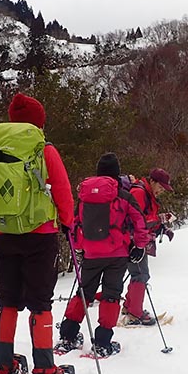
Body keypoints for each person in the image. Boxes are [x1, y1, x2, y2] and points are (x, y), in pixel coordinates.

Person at [0, 92, 75, 374]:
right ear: (39, 122)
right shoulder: (44, 149)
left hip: (3, 231)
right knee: (39, 302)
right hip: (40, 234)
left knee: (7, 299)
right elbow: (61, 188)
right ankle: (45, 369)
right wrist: (68, 223)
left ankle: (2, 365)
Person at [56, 153, 149, 357]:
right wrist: (140, 246)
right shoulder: (123, 195)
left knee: (84, 293)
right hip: (117, 254)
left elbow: (74, 222)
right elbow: (139, 222)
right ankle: (102, 342)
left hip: (91, 253)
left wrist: (79, 247)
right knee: (111, 295)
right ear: (117, 174)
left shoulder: (85, 195)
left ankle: (68, 335)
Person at [122, 168, 175, 326]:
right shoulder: (140, 193)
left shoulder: (146, 193)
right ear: (152, 181)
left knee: (137, 274)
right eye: (160, 187)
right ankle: (134, 314)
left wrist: (161, 227)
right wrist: (159, 219)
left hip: (136, 240)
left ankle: (129, 307)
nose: (161, 191)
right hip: (133, 241)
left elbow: (145, 219)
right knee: (141, 275)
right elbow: (137, 221)